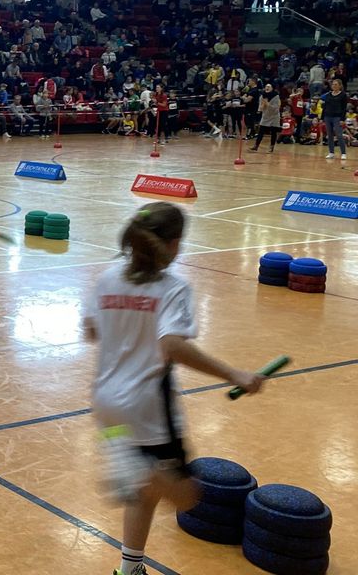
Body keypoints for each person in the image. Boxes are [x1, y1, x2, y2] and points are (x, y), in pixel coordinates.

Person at [85, 202, 265, 575]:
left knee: (144, 492)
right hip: (147, 408)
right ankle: (133, 467)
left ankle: (129, 567)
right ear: (174, 244)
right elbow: (173, 346)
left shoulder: (107, 278)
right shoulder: (173, 288)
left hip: (106, 406)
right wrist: (235, 374)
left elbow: (90, 330)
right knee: (184, 496)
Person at [321, 78, 348, 161]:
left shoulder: (343, 95)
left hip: (337, 117)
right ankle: (331, 152)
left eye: (336, 84)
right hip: (327, 116)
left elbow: (344, 108)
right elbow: (325, 107)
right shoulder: (328, 95)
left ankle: (343, 153)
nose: (334, 86)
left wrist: (342, 119)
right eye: (333, 84)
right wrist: (322, 118)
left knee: (339, 135)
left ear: (340, 86)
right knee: (330, 135)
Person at [250, 85, 281, 154]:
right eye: (266, 86)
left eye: (269, 86)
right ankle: (256, 146)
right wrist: (261, 108)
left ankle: (271, 147)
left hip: (274, 116)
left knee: (273, 132)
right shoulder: (262, 96)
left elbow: (276, 108)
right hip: (266, 115)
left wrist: (268, 104)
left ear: (272, 88)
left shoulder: (276, 96)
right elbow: (260, 107)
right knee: (261, 131)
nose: (267, 87)